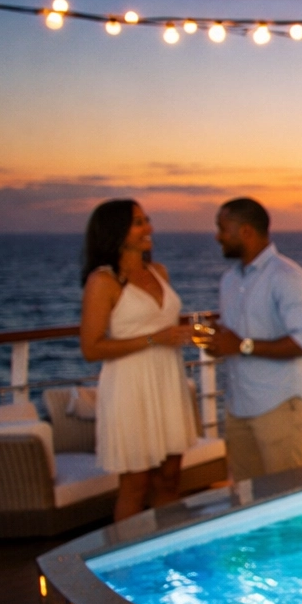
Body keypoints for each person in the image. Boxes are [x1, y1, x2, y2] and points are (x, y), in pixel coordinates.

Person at [78, 200, 198, 521]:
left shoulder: (159, 272)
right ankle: (127, 566)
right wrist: (153, 339)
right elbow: (91, 348)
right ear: (116, 232)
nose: (149, 228)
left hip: (167, 380)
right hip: (130, 386)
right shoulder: (103, 282)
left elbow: (162, 323)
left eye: (147, 220)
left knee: (171, 478)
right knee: (135, 485)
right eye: (138, 222)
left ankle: (171, 556)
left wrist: (184, 334)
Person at [205, 198, 302, 482]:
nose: (217, 236)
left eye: (222, 228)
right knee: (247, 500)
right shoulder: (230, 280)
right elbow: (239, 334)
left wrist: (241, 346)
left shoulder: (287, 277)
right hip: (239, 406)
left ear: (245, 231)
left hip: (278, 404)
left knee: (287, 498)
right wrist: (219, 340)